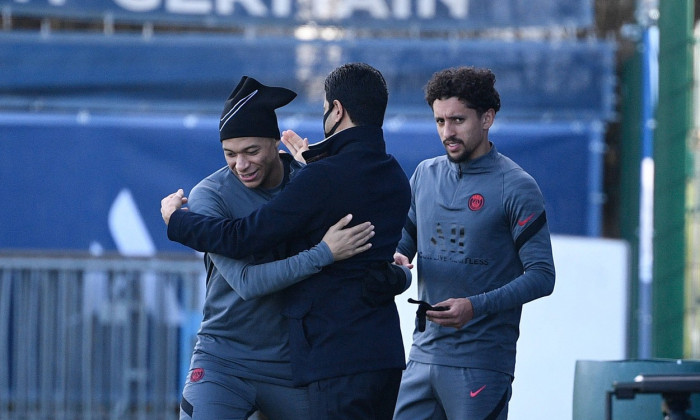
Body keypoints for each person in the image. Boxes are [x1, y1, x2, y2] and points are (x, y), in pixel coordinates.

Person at [161, 63, 412, 419]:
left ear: (274, 142)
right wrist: (325, 253)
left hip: (295, 368)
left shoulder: (310, 178)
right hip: (225, 361)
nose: (241, 164)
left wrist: (394, 270)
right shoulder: (210, 195)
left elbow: (361, 248)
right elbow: (248, 282)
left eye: (251, 151)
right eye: (229, 154)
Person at [392, 66, 556, 420]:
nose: (447, 133)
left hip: (481, 365)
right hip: (421, 357)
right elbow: (406, 241)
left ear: (487, 118)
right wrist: (399, 257)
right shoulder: (424, 174)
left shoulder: (516, 186)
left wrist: (474, 306)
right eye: (439, 122)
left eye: (457, 120)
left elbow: (543, 276)